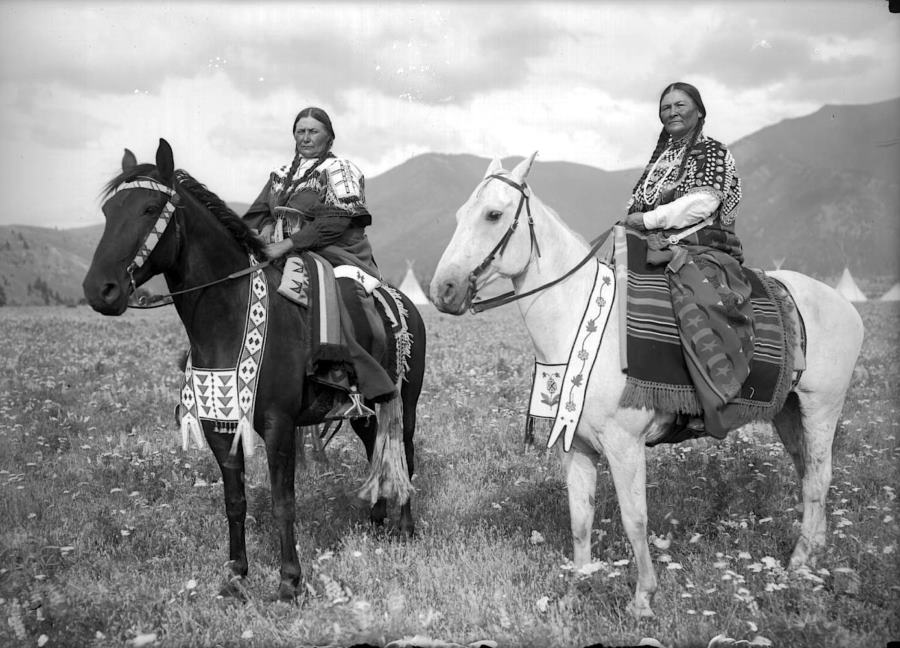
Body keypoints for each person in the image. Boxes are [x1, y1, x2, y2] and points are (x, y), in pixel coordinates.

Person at [623, 82, 754, 439]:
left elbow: (703, 203)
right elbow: (636, 206)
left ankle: (706, 399)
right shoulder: (660, 161)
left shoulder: (712, 151)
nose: (672, 111)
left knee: (697, 302)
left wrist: (650, 220)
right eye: (665, 107)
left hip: (699, 248)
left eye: (680, 104)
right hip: (652, 244)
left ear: (699, 110)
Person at [243, 106, 395, 413]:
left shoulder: (341, 169)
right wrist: (261, 231)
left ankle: (351, 376)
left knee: (344, 292)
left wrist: (287, 243)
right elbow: (255, 216)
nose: (306, 137)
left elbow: (336, 221)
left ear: (329, 136)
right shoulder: (280, 176)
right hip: (284, 252)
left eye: (313, 131)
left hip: (335, 251)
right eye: (300, 131)